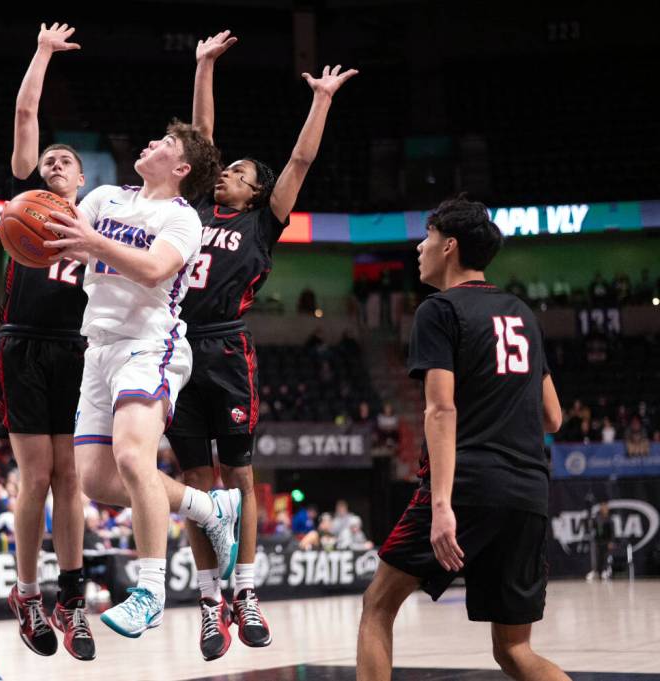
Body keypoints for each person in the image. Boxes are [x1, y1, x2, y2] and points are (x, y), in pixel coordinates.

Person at [167, 29, 357, 660]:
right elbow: (200, 138)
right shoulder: (192, 206)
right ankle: (207, 602)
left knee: (239, 475)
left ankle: (245, 592)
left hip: (225, 350)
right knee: (196, 482)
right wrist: (202, 66)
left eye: (239, 173)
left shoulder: (261, 221)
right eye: (226, 170)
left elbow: (299, 164)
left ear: (256, 190)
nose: (226, 175)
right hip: (175, 348)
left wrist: (322, 100)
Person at [43, 117, 241, 640]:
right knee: (96, 481)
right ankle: (208, 506)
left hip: (152, 344)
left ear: (181, 168)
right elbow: (64, 239)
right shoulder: (105, 197)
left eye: (166, 143)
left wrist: (92, 242)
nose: (150, 140)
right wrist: (36, 226)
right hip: (99, 347)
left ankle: (150, 593)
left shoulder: (183, 219)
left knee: (134, 457)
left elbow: (154, 269)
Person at [356, 196, 569, 681]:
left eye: (427, 237)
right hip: (528, 491)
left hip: (469, 485)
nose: (419, 246)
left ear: (449, 246)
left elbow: (441, 408)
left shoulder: (440, 310)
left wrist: (442, 505)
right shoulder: (522, 313)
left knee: (378, 604)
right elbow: (553, 416)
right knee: (515, 650)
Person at [0, 22, 94, 662]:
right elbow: (27, 110)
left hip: (77, 350)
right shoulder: (26, 201)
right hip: (24, 342)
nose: (53, 165)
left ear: (82, 179)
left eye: (65, 162)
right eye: (48, 160)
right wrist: (41, 52)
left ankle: (72, 597)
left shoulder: (101, 224)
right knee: (37, 477)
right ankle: (27, 591)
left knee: (71, 478)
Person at [587, 501, 615, 582]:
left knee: (606, 557)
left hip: (607, 542)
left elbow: (612, 532)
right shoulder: (597, 518)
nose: (604, 508)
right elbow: (593, 529)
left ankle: (605, 571)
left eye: (605, 507)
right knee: (598, 557)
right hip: (598, 542)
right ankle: (596, 572)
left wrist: (611, 542)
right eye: (602, 506)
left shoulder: (610, 519)